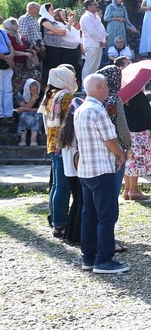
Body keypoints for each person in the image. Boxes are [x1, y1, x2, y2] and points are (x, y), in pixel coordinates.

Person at [72, 73, 128, 274]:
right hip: (101, 169)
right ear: (97, 87)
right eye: (104, 86)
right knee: (107, 215)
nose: (107, 90)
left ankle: (89, 257)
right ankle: (103, 259)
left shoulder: (80, 109)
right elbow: (110, 139)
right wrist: (121, 155)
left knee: (90, 215)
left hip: (86, 170)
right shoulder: (98, 110)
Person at [41, 65, 78, 239]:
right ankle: (60, 224)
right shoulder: (65, 97)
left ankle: (56, 220)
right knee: (62, 186)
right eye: (71, 77)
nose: (74, 80)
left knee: (56, 185)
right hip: (62, 145)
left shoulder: (50, 94)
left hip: (52, 144)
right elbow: (71, 119)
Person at [122, 68, 151, 202]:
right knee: (136, 161)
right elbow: (149, 114)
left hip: (126, 131)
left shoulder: (122, 96)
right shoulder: (139, 96)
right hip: (139, 132)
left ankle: (127, 189)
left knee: (129, 161)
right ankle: (134, 190)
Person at [79, 0, 107, 78]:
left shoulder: (97, 17)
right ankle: (85, 86)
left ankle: (92, 85)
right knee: (89, 66)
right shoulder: (86, 17)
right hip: (91, 44)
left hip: (99, 44)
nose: (97, 6)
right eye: (95, 5)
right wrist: (103, 40)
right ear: (89, 7)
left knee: (95, 66)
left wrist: (104, 37)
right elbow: (92, 32)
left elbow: (101, 29)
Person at [16, 79, 42, 147]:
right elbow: (22, 108)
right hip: (26, 113)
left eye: (36, 90)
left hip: (36, 112)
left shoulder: (41, 94)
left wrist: (24, 108)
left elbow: (40, 109)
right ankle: (22, 139)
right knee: (23, 115)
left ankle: (33, 139)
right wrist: (33, 100)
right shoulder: (21, 93)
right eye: (33, 90)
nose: (35, 92)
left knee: (37, 115)